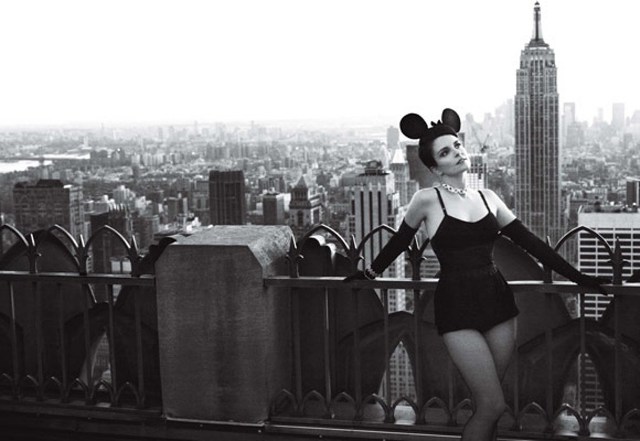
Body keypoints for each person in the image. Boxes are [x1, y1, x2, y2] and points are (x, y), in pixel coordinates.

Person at [344, 108, 607, 441]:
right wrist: (368, 273)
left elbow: (532, 244)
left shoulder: (488, 198)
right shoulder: (426, 200)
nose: (457, 153)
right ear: (434, 167)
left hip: (499, 304)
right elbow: (399, 241)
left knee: (490, 404)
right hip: (456, 308)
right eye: (445, 152)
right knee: (493, 405)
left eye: (457, 145)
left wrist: (578, 277)